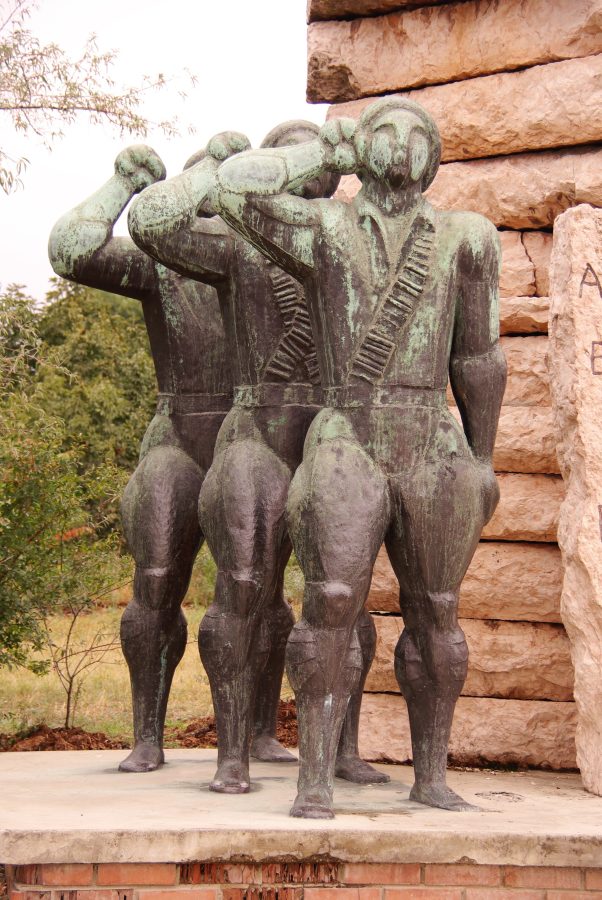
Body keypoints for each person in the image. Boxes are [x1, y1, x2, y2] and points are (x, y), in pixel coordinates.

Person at [215, 98, 507, 818]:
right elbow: (235, 190)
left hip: (430, 438)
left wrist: (484, 455)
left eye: (417, 135)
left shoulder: (467, 237)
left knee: (437, 609)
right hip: (348, 430)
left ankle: (431, 776)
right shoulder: (323, 228)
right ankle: (314, 777)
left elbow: (479, 355)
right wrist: (326, 156)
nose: (401, 146)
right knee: (332, 601)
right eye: (385, 132)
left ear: (433, 157)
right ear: (361, 148)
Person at [128, 122, 389, 794]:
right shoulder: (238, 244)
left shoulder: (347, 241)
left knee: (347, 597)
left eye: (328, 163)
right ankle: (232, 753)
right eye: (296, 157)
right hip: (258, 432)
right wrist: (251, 158)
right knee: (242, 585)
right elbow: (155, 223)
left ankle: (340, 748)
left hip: (331, 429)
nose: (317, 172)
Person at [48, 141, 294, 773]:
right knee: (155, 578)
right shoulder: (165, 262)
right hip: (182, 432)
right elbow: (70, 251)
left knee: (258, 588)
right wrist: (121, 182)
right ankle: (147, 734)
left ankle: (260, 731)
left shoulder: (276, 260)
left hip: (258, 438)